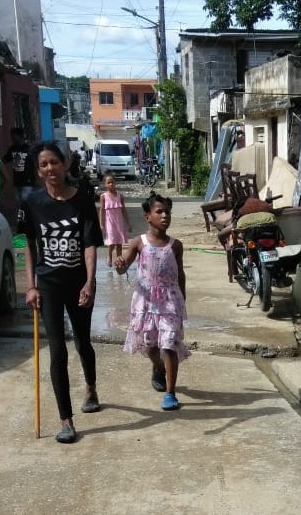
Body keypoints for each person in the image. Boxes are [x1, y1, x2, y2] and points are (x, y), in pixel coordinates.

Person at [22, 142, 104, 443]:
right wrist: (30, 285)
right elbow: (28, 244)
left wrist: (90, 282)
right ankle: (66, 420)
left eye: (54, 162)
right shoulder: (31, 201)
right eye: (43, 164)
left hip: (78, 282)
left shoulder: (82, 200)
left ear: (65, 164)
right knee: (57, 350)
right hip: (48, 284)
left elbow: (90, 244)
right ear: (38, 169)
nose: (50, 169)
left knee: (83, 341)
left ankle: (91, 387)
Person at [115, 192, 188, 411]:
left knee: (170, 344)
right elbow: (124, 266)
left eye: (168, 212)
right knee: (151, 345)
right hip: (146, 302)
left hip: (170, 302)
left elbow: (180, 273)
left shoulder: (176, 245)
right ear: (147, 216)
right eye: (159, 212)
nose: (165, 216)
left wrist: (182, 299)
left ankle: (170, 392)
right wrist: (120, 264)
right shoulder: (140, 242)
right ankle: (158, 367)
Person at [99, 170, 132, 267]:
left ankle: (119, 259)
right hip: (109, 222)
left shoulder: (120, 196)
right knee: (112, 242)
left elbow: (124, 210)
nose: (111, 184)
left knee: (119, 243)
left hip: (119, 222)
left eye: (112, 182)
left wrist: (128, 223)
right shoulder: (103, 196)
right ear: (105, 184)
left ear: (115, 183)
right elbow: (102, 210)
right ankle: (109, 255)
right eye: (108, 182)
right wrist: (101, 224)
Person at [4, 127, 34, 204]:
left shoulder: (29, 148)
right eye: (11, 136)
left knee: (26, 202)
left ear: (19, 136)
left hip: (28, 182)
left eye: (13, 136)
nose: (12, 138)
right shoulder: (12, 148)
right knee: (19, 201)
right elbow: (5, 159)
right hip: (17, 182)